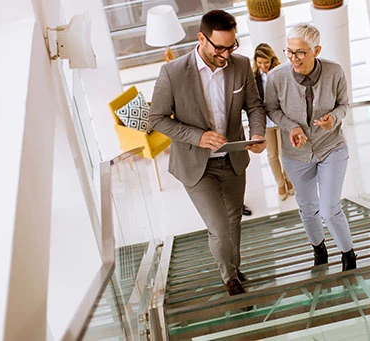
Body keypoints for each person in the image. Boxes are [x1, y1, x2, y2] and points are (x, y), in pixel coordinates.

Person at [148, 10, 266, 297]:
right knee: (219, 227)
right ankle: (229, 278)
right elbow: (157, 119)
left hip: (233, 159)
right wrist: (198, 137)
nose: (226, 54)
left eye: (231, 46)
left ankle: (234, 268)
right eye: (220, 48)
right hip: (196, 166)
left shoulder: (240, 65)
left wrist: (257, 134)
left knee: (234, 219)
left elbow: (254, 107)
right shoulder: (172, 73)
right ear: (202, 38)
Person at [265, 23, 357, 271]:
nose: (293, 58)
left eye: (300, 52)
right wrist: (291, 127)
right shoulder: (276, 78)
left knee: (329, 209)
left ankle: (348, 255)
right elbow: (271, 109)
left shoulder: (334, 71)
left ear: (317, 50)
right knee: (307, 209)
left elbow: (344, 104)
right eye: (289, 52)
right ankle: (320, 250)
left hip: (332, 148)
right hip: (296, 154)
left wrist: (334, 118)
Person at [252, 43, 294, 201]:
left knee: (285, 153)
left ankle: (288, 179)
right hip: (266, 123)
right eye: (259, 63)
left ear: (272, 60)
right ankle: (280, 183)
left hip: (281, 120)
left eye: (266, 62)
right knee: (272, 155)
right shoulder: (253, 79)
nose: (263, 66)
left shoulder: (280, 74)